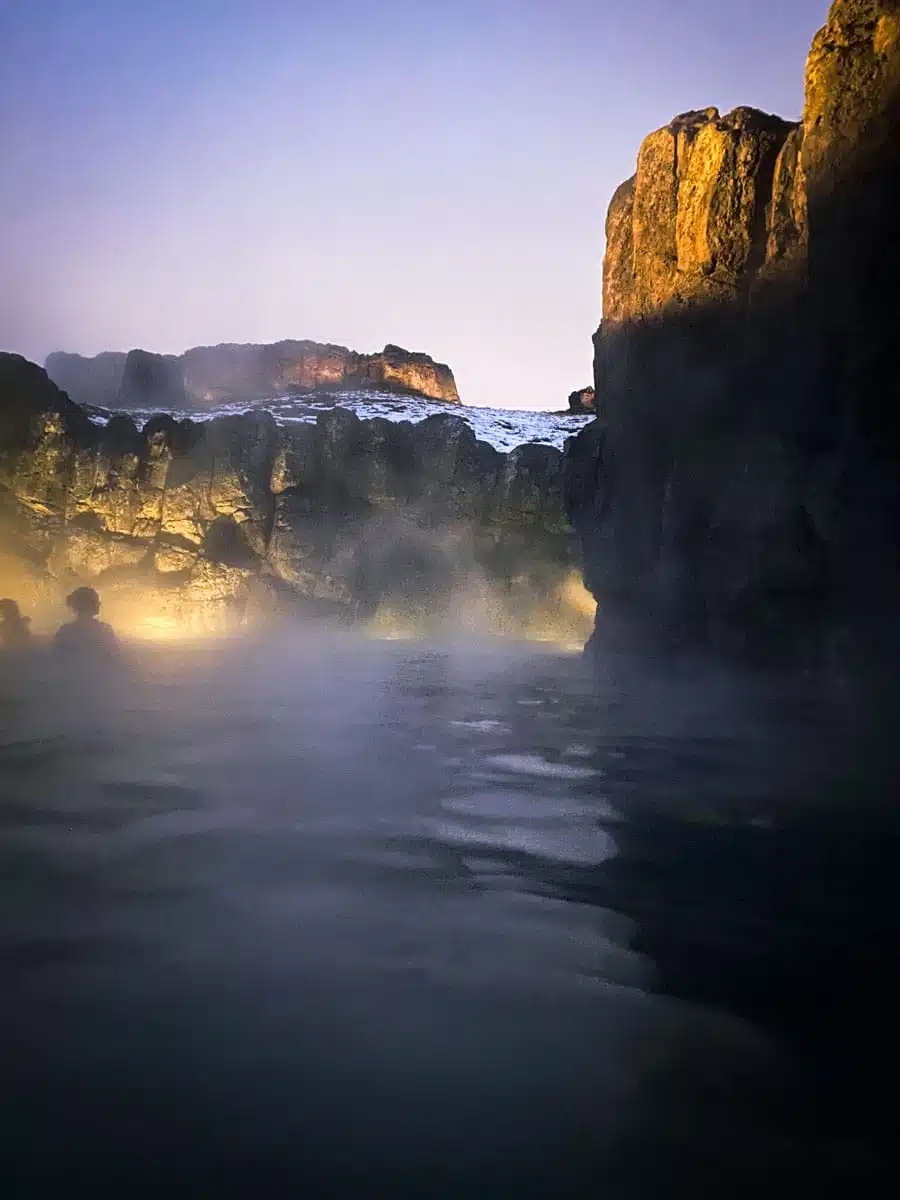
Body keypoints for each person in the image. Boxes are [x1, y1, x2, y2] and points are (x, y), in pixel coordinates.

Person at [54, 587, 119, 660]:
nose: (99, 604)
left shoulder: (65, 631)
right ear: (93, 605)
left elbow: (57, 657)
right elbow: (113, 658)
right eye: (97, 602)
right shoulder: (105, 630)